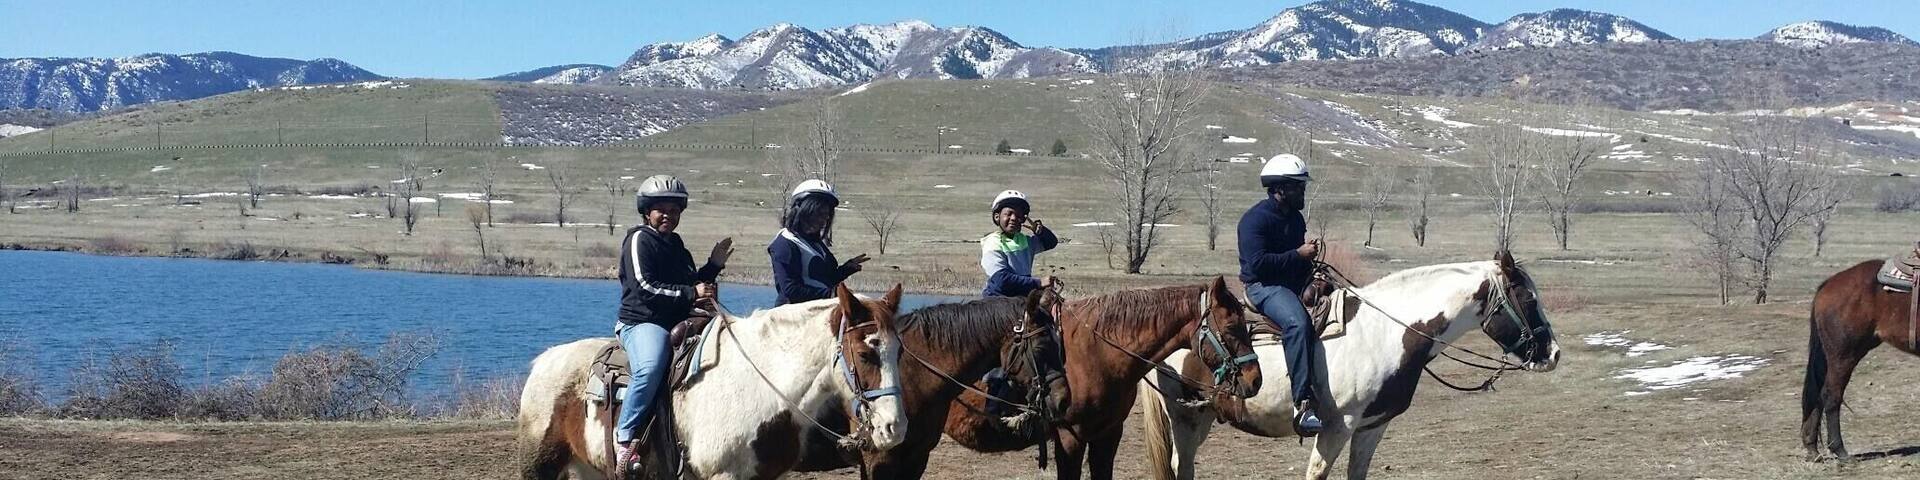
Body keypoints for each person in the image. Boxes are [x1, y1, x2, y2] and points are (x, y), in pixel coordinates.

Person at [614, 175, 733, 473]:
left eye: (674, 210)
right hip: (643, 321)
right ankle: (625, 437)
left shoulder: (676, 244)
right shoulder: (639, 239)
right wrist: (693, 293)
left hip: (676, 319)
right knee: (651, 366)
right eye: (661, 209)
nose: (668, 215)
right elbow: (644, 286)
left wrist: (712, 267)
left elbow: (688, 282)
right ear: (646, 211)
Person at [1236, 153, 1324, 436]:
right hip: (1263, 288)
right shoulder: (1253, 221)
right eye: (1299, 187)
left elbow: (1296, 263)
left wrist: (1314, 276)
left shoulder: (1296, 219)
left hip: (1290, 284)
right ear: (1280, 189)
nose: (1303, 193)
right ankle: (1303, 404)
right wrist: (1297, 254)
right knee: (1298, 323)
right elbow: (1257, 264)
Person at [769, 179, 869, 305]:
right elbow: (790, 290)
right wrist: (832, 294)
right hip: (793, 316)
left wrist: (846, 269)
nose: (824, 219)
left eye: (826, 215)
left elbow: (824, 280)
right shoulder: (785, 243)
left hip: (819, 310)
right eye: (819, 213)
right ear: (802, 210)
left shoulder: (814, 243)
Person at [981, 190, 1059, 298]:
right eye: (1008, 214)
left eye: (1018, 215)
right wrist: (1038, 283)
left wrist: (1041, 232)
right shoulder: (992, 243)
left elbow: (1051, 242)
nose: (1013, 218)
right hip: (997, 300)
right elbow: (1001, 280)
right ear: (997, 217)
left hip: (1021, 298)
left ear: (1023, 219)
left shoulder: (1024, 241)